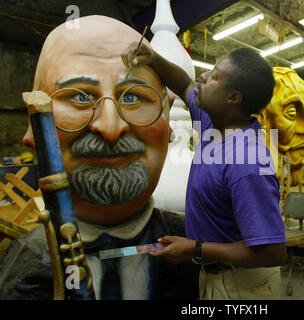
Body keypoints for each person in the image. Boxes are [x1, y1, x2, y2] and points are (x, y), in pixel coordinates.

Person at [0, 15, 199, 300]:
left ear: (168, 120)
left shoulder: (189, 246)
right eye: (80, 97)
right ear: (34, 122)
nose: (110, 127)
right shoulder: (28, 268)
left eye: (132, 98)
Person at [122, 43, 286, 300]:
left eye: (215, 76)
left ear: (233, 98)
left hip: (239, 286)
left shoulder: (247, 162)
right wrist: (154, 57)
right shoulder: (214, 123)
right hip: (214, 273)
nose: (204, 76)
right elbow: (184, 83)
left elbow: (273, 252)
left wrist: (196, 248)